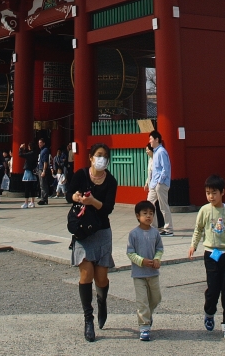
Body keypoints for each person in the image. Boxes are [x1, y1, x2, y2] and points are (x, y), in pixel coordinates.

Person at [67, 143, 118, 342]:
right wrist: (76, 196)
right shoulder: (80, 175)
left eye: (105, 156)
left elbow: (108, 209)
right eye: (98, 155)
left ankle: (102, 299)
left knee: (101, 278)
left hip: (102, 230)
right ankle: (88, 319)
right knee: (86, 274)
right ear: (90, 157)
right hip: (83, 231)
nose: (101, 159)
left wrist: (92, 201)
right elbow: (67, 195)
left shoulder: (111, 181)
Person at [188, 173, 225, 343]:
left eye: (214, 192)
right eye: (208, 193)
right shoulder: (204, 211)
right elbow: (198, 229)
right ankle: (209, 312)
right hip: (211, 254)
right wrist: (193, 245)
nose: (210, 196)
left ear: (222, 192)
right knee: (213, 289)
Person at [127, 199, 164, 342]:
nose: (148, 216)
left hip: (153, 273)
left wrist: (157, 259)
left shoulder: (155, 233)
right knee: (142, 300)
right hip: (139, 274)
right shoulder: (133, 234)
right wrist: (141, 261)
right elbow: (130, 252)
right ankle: (144, 326)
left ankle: (147, 315)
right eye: (145, 213)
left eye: (151, 213)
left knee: (156, 298)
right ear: (138, 216)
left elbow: (160, 249)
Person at [147, 131, 174, 236]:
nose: (149, 141)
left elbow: (165, 168)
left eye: (151, 139)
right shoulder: (156, 152)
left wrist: (160, 182)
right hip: (154, 184)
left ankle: (169, 229)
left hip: (160, 184)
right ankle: (153, 227)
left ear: (156, 139)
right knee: (149, 204)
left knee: (163, 206)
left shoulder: (161, 151)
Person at [19, 143, 37, 208]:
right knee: (32, 188)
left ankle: (26, 203)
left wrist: (21, 148)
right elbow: (27, 153)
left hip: (28, 171)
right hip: (33, 172)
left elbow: (20, 155)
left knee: (27, 188)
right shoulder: (35, 153)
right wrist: (25, 149)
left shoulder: (30, 154)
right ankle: (32, 202)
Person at [37, 137, 51, 205]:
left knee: (43, 184)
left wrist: (44, 171)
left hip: (42, 169)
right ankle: (43, 197)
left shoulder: (45, 150)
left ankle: (44, 199)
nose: (39, 144)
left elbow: (45, 162)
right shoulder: (41, 150)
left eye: (40, 143)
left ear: (44, 143)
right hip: (40, 168)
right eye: (39, 143)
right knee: (41, 184)